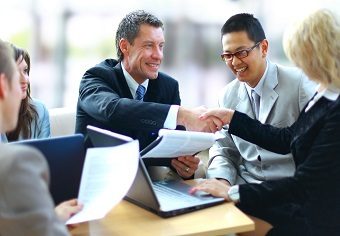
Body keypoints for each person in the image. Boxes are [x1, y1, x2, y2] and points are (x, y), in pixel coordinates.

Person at [191, 9, 340, 235]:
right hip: (274, 195)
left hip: (309, 212)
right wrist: (232, 118)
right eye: (227, 55)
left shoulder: (314, 92)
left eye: (302, 58)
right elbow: (286, 138)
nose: (300, 65)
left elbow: (305, 184)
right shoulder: (324, 92)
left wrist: (232, 194)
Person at [75, 10, 222, 179]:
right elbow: (113, 110)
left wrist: (182, 167)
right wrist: (181, 114)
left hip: (144, 187)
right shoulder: (95, 77)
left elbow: (172, 150)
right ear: (125, 46)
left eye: (161, 46)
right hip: (95, 181)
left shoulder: (168, 87)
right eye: (148, 45)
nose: (158, 55)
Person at [206, 13, 315, 187]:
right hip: (244, 187)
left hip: (289, 190)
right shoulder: (226, 95)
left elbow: (312, 148)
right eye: (227, 55)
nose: (234, 62)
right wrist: (221, 181)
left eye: (241, 52)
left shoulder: (299, 83)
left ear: (263, 48)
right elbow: (224, 150)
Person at [0, 40, 82, 235]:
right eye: (15, 75)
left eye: (26, 71)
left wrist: (48, 217)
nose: (25, 81)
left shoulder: (37, 112)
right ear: (3, 86)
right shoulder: (14, 164)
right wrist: (50, 221)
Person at [4, 45, 50, 142]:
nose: (26, 80)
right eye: (16, 72)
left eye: (25, 71)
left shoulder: (39, 110)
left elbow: (46, 154)